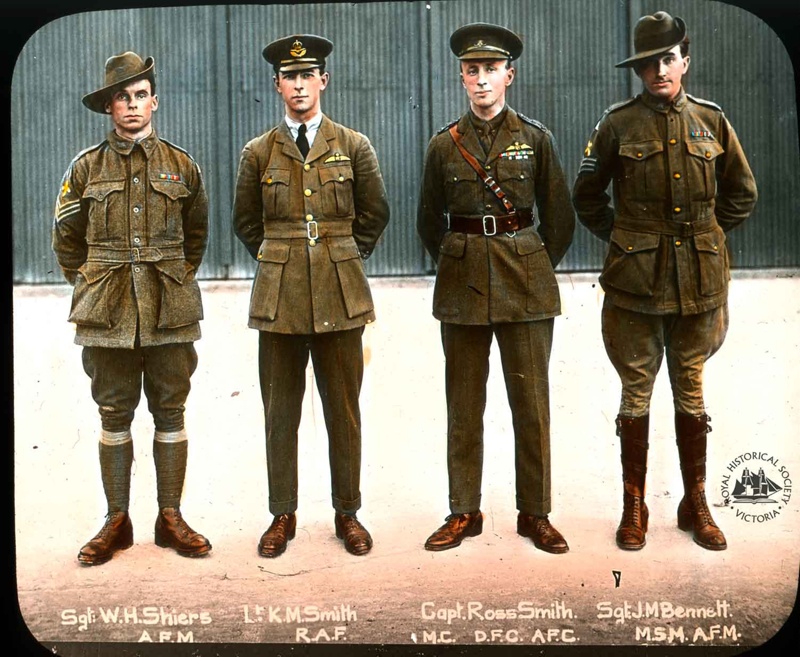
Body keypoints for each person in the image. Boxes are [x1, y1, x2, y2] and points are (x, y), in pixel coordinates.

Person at [572, 12, 757, 551]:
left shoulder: (711, 120)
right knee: (636, 392)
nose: (659, 70)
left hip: (700, 283)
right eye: (648, 63)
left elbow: (741, 192)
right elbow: (587, 196)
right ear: (638, 70)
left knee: (690, 387)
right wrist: (628, 240)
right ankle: (634, 503)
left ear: (685, 61)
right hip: (635, 287)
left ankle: (696, 501)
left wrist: (707, 237)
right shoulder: (617, 124)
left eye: (668, 59)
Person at [417, 23, 575, 554]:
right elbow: (428, 222)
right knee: (463, 407)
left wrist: (531, 262)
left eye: (491, 69)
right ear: (461, 77)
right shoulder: (444, 145)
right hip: (462, 287)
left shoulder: (535, 139)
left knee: (531, 405)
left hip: (525, 287)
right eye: (472, 70)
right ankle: (464, 510)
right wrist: (459, 259)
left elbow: (559, 219)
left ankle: (535, 513)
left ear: (510, 75)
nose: (481, 79)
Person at [232, 34, 390, 558]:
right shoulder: (258, 152)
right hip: (279, 300)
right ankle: (282, 515)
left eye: (307, 75)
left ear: (323, 80)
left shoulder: (354, 145)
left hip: (340, 296)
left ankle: (348, 512)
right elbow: (246, 222)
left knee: (344, 410)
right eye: (289, 77)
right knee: (280, 413)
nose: (299, 85)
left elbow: (375, 214)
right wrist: (280, 257)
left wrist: (343, 257)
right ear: (277, 85)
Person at [52, 52, 212, 565]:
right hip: (108, 310)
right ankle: (116, 521)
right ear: (109, 107)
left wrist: (173, 278)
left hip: (170, 308)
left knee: (171, 410)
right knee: (113, 412)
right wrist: (93, 284)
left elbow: (196, 236)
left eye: (141, 94)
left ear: (154, 101)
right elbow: (66, 241)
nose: (132, 105)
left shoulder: (182, 165)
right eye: (122, 97)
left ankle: (171, 518)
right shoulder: (85, 168)